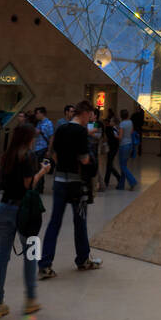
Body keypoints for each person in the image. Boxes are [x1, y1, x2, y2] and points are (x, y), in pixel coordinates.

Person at [38, 101, 104, 278]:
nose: (90, 119)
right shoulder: (81, 132)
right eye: (90, 116)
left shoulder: (61, 128)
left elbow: (53, 154)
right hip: (77, 185)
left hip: (60, 181)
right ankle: (83, 259)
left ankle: (45, 265)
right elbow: (83, 159)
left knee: (54, 223)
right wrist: (90, 162)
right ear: (85, 113)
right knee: (80, 222)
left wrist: (64, 165)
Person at [0, 123, 48, 319]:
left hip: (4, 208)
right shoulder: (28, 156)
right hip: (23, 211)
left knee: (2, 256)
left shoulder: (7, 156)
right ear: (28, 138)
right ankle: (31, 299)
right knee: (31, 253)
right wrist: (42, 172)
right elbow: (28, 184)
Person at [32, 107, 53, 193]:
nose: (36, 115)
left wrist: (49, 150)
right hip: (37, 148)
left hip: (44, 148)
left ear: (42, 113)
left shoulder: (48, 123)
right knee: (37, 167)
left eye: (37, 113)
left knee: (42, 167)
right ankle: (38, 186)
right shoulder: (39, 123)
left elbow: (51, 137)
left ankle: (40, 187)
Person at [116, 108, 138, 190]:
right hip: (129, 144)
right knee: (124, 165)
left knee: (122, 166)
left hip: (123, 145)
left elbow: (120, 137)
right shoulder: (130, 122)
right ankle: (121, 185)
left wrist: (115, 135)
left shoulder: (122, 124)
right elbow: (131, 132)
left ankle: (132, 181)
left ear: (121, 116)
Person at [102, 114, 124, 189]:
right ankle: (107, 181)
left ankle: (112, 180)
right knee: (109, 165)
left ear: (114, 122)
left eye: (111, 121)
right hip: (114, 148)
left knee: (109, 165)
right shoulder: (115, 128)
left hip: (112, 148)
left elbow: (111, 138)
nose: (109, 122)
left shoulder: (110, 129)